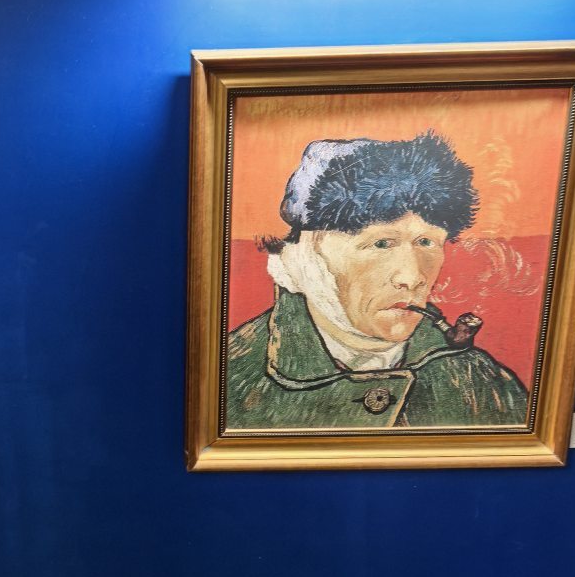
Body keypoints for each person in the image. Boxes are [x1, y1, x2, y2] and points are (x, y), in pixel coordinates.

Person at [226, 132, 528, 430]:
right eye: (381, 244)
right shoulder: (232, 377)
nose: (412, 278)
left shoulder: (481, 380)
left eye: (426, 242)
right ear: (310, 254)